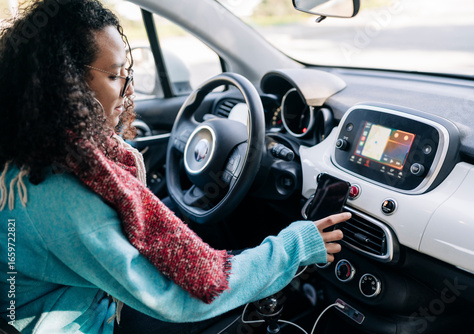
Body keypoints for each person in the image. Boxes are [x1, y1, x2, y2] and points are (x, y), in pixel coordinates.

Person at [0, 0, 350, 333]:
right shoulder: (63, 193)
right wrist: (297, 247)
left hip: (81, 295)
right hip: (91, 321)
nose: (129, 88)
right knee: (255, 284)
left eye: (128, 73)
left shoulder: (28, 153)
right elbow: (180, 298)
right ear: (67, 86)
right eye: (114, 76)